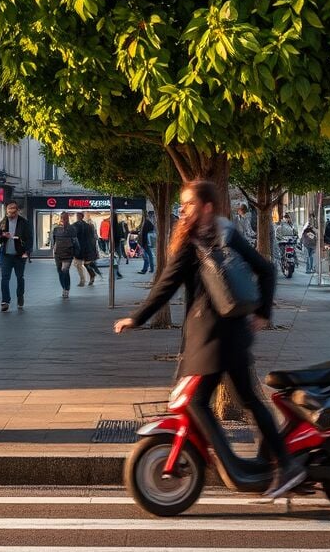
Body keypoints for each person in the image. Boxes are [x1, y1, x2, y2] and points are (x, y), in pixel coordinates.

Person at [114, 180, 304, 499]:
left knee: (199, 402)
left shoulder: (195, 243)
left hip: (213, 340)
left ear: (206, 207)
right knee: (250, 401)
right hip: (232, 335)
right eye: (182, 204)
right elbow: (266, 270)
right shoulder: (226, 234)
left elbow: (166, 285)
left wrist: (137, 318)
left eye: (188, 204)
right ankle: (278, 464)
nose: (182, 209)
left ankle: (268, 466)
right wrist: (263, 313)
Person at [0, 200, 31, 311]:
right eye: (10, 208)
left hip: (19, 255)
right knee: (5, 278)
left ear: (17, 210)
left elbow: (29, 238)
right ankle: (5, 301)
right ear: (7, 210)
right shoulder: (3, 222)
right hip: (6, 255)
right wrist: (3, 235)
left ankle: (20, 296)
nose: (12, 211)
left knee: (20, 277)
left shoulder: (23, 222)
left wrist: (27, 252)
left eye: (14, 208)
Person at [51, 211, 78, 298]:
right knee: (59, 271)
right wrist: (53, 251)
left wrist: (76, 253)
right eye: (62, 217)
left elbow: (75, 242)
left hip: (68, 253)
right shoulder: (56, 229)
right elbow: (54, 241)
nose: (64, 219)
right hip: (58, 253)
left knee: (65, 270)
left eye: (65, 217)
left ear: (68, 218)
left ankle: (67, 288)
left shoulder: (72, 229)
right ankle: (64, 287)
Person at [75, 211, 101, 285]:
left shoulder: (85, 226)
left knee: (84, 264)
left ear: (81, 216)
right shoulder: (88, 226)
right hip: (84, 248)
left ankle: (89, 277)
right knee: (81, 264)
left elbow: (91, 238)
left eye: (78, 216)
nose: (77, 217)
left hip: (84, 248)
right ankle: (84, 279)